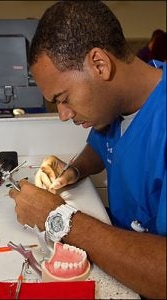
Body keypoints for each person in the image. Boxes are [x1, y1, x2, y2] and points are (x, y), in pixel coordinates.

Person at [9, 1, 166, 299]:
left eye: (64, 97)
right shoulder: (115, 109)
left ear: (99, 64)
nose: (63, 114)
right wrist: (75, 169)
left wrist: (57, 217)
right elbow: (102, 147)